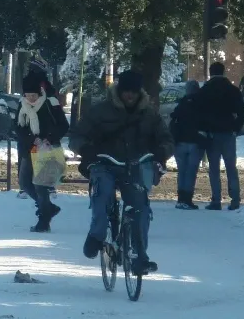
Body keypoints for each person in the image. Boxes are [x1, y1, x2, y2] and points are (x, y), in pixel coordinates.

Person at [69, 70, 174, 275]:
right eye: (126, 91)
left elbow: (166, 138)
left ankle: (139, 256)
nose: (129, 95)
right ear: (119, 91)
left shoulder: (149, 114)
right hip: (105, 164)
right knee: (102, 195)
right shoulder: (100, 111)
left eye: (133, 92)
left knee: (141, 208)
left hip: (134, 166)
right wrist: (86, 150)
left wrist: (162, 152)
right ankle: (97, 235)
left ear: (139, 93)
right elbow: (76, 136)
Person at [16, 74, 69, 232]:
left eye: (34, 95)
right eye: (28, 95)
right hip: (29, 149)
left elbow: (63, 125)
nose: (31, 98)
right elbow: (18, 128)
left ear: (40, 93)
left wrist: (48, 138)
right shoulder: (22, 105)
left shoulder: (50, 103)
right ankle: (48, 208)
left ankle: (43, 221)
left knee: (40, 185)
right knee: (25, 183)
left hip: (47, 150)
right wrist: (32, 139)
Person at [196, 62, 244, 210]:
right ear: (223, 72)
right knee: (231, 167)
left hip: (212, 134)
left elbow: (199, 112)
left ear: (211, 73)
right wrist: (235, 128)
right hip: (228, 133)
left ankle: (216, 200)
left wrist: (204, 129)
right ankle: (235, 199)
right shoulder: (232, 90)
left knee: (214, 168)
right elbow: (242, 113)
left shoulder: (205, 90)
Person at [17, 56, 62, 200]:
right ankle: (47, 188)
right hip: (39, 136)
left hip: (37, 136)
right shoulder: (45, 87)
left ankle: (35, 190)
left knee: (31, 163)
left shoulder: (37, 87)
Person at [170, 80, 206, 210]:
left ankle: (180, 198)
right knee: (191, 172)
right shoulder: (202, 103)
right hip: (196, 142)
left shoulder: (182, 103)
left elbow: (174, 118)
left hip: (180, 143)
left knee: (182, 171)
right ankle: (187, 198)